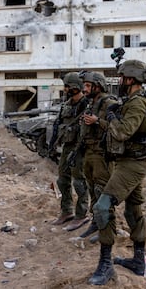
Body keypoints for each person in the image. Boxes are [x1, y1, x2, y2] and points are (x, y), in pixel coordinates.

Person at [88, 60, 146, 285]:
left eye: (122, 78)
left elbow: (124, 132)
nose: (119, 82)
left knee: (102, 206)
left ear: (130, 79)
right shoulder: (133, 100)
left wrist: (113, 118)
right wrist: (108, 120)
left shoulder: (137, 104)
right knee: (133, 209)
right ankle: (138, 260)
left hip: (132, 164)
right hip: (129, 160)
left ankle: (105, 265)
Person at [76, 71, 118, 239]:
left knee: (103, 191)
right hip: (89, 152)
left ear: (97, 86)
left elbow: (118, 128)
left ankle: (107, 229)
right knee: (93, 190)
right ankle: (96, 223)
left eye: (87, 86)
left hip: (102, 154)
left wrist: (97, 121)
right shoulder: (91, 104)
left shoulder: (110, 103)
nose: (84, 89)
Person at [51, 72, 90, 231]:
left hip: (80, 147)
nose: (65, 89)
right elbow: (57, 124)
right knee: (62, 180)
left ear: (75, 87)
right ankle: (66, 211)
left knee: (79, 182)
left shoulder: (86, 104)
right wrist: (52, 144)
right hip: (67, 146)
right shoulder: (66, 104)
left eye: (68, 86)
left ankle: (81, 214)